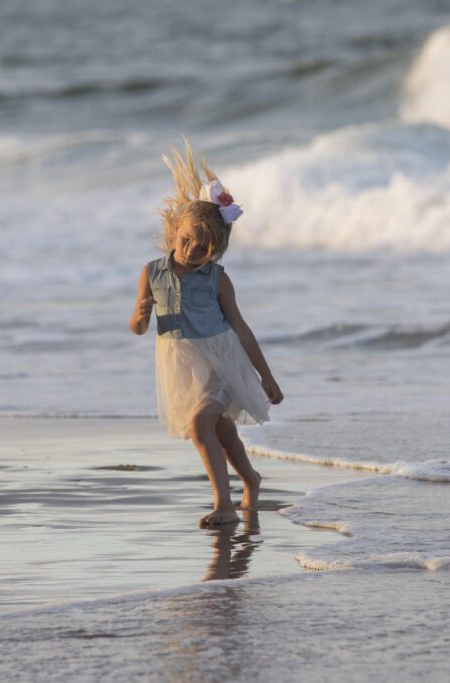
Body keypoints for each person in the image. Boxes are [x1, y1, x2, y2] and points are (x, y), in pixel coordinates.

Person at [129, 139, 283, 528]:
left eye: (203, 248)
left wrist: (266, 376)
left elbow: (242, 329)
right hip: (181, 365)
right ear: (173, 229)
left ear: (215, 252)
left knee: (201, 426)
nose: (192, 250)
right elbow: (138, 327)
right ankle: (250, 478)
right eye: (187, 241)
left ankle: (224, 505)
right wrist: (141, 314)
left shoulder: (217, 280)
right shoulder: (152, 272)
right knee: (220, 428)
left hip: (221, 361)